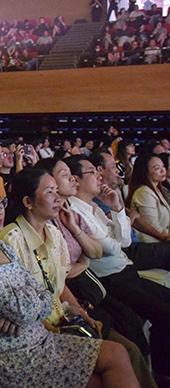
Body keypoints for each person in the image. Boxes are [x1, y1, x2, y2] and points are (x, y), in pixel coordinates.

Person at [0, 177, 138, 388]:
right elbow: (25, 308)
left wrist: (22, 311)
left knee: (117, 352)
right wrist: (24, 311)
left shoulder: (0, 246)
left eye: (0, 202)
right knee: (98, 380)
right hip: (7, 356)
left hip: (36, 340)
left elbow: (43, 292)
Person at [66, 155, 170, 380]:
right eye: (93, 172)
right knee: (164, 312)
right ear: (76, 180)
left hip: (125, 271)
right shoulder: (74, 211)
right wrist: (117, 226)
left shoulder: (93, 206)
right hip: (111, 280)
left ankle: (162, 369)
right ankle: (162, 374)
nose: (99, 176)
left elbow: (123, 242)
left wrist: (117, 207)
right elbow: (111, 248)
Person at [126, 153, 170, 243]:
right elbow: (153, 226)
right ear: (145, 172)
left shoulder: (157, 189)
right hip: (152, 243)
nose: (163, 170)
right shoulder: (144, 192)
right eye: (157, 168)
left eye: (163, 166)